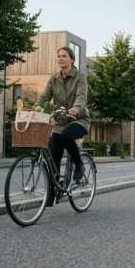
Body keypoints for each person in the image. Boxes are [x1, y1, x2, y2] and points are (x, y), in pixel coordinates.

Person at [35, 47, 90, 205]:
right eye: (58, 56)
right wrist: (34, 109)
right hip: (60, 121)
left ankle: (79, 165)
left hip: (78, 119)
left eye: (64, 56)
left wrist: (76, 109)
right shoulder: (54, 78)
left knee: (66, 136)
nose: (60, 58)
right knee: (54, 158)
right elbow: (45, 97)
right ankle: (52, 196)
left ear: (71, 59)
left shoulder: (80, 77)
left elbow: (81, 96)